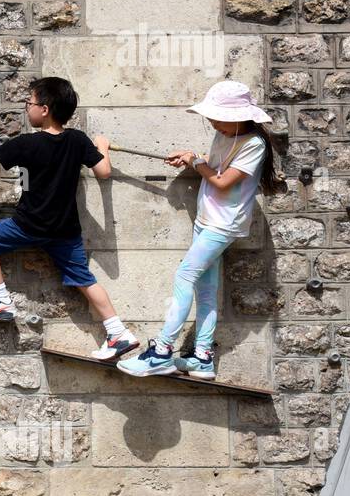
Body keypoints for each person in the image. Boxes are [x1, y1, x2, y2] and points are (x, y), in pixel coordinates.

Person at [119, 81, 283, 380]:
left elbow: (222, 182)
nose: (211, 122)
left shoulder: (254, 145)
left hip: (223, 225)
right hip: (207, 220)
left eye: (215, 116)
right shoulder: (226, 134)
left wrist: (196, 162)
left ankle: (162, 352)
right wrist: (192, 158)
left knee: (184, 275)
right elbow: (215, 169)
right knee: (205, 289)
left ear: (236, 117)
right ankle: (202, 357)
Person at [0, 77, 138, 360]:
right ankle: (118, 333)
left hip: (29, 224)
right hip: (65, 230)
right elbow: (103, 172)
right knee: (84, 279)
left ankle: (0, 301)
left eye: (29, 103)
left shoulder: (26, 143)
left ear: (44, 109)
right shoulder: (78, 140)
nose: (26, 108)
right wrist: (103, 146)